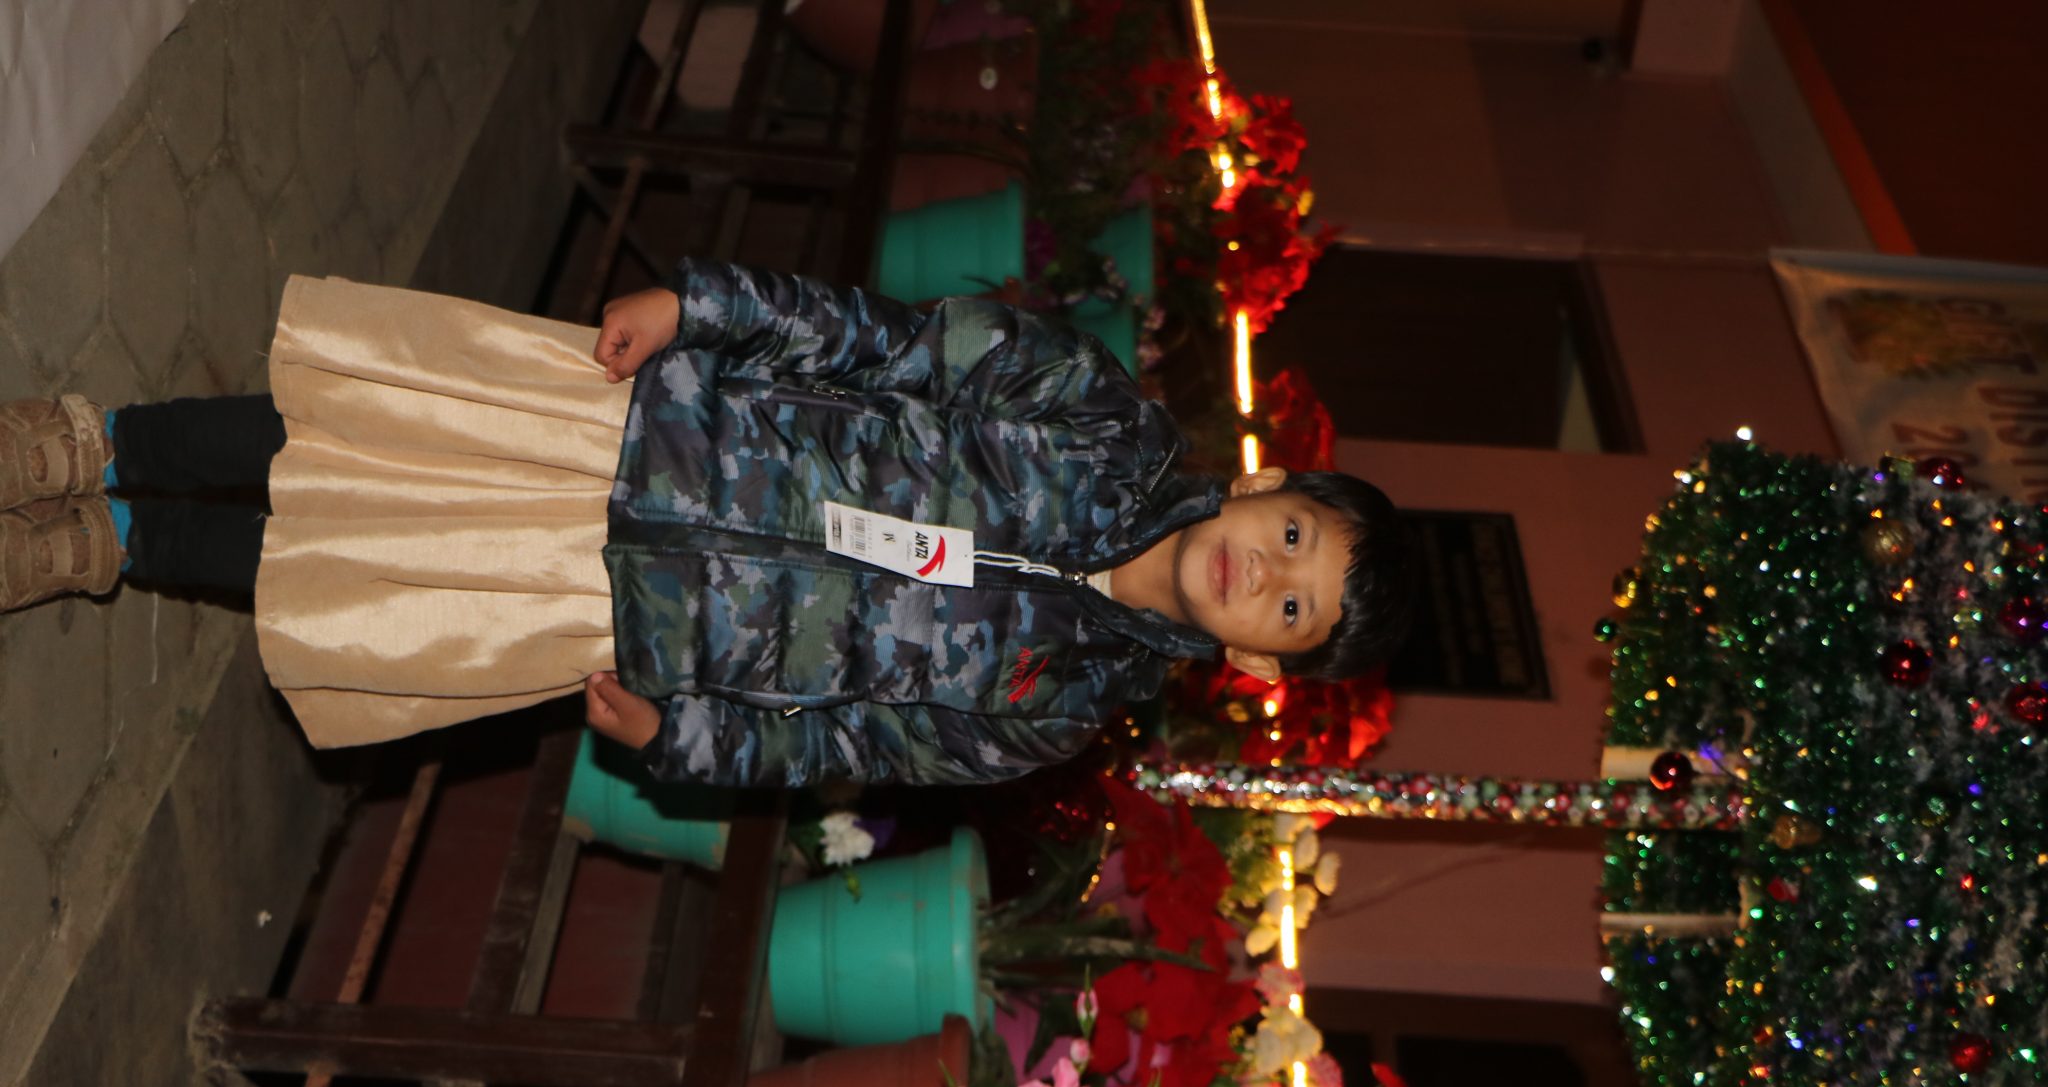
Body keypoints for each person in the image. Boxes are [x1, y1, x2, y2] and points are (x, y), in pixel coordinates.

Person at [0, 260, 1413, 786]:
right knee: (373, 436)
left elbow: (851, 744)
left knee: (371, 568)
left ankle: (110, 545)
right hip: (657, 429)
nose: (1265, 573)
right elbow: (883, 341)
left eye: (1290, 607)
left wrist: (682, 738)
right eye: (1295, 536)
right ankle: (98, 442)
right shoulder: (1094, 410)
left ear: (1259, 661)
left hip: (650, 619)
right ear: (1265, 485)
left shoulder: (1056, 710)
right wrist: (701, 309)